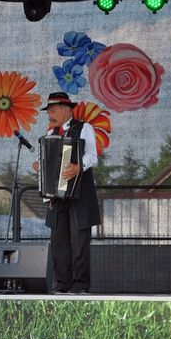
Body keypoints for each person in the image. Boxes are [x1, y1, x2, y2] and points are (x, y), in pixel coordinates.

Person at [40, 91, 100, 293]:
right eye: (48, 111)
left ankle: (80, 284)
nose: (50, 115)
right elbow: (47, 162)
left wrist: (78, 166)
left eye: (53, 111)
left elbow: (92, 156)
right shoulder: (51, 133)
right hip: (57, 197)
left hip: (79, 195)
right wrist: (40, 167)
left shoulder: (83, 128)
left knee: (79, 242)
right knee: (59, 242)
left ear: (66, 110)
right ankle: (61, 283)